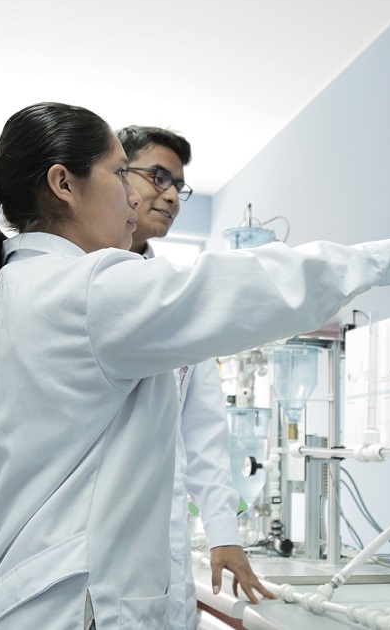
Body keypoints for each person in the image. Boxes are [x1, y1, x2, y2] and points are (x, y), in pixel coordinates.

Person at [0, 101, 390, 630]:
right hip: (69, 605)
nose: (135, 196)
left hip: (31, 596)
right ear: (63, 184)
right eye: (121, 174)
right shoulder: (89, 290)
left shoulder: (7, 291)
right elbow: (248, 286)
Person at [115, 124, 271, 626]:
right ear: (117, 175)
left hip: (160, 553)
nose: (171, 195)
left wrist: (224, 531)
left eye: (178, 185)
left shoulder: (179, 297)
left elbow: (202, 434)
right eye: (157, 176)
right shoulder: (71, 279)